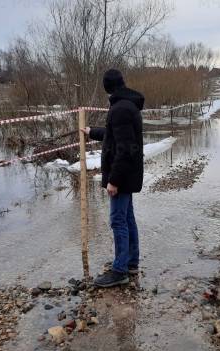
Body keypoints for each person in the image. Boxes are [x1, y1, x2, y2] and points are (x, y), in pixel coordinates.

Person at [82, 69, 145, 288]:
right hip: (129, 173)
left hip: (123, 175)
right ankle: (130, 263)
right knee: (127, 218)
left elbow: (125, 148)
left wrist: (114, 180)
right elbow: (114, 135)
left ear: (107, 87)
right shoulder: (127, 105)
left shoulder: (120, 109)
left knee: (118, 220)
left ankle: (120, 271)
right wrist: (92, 132)